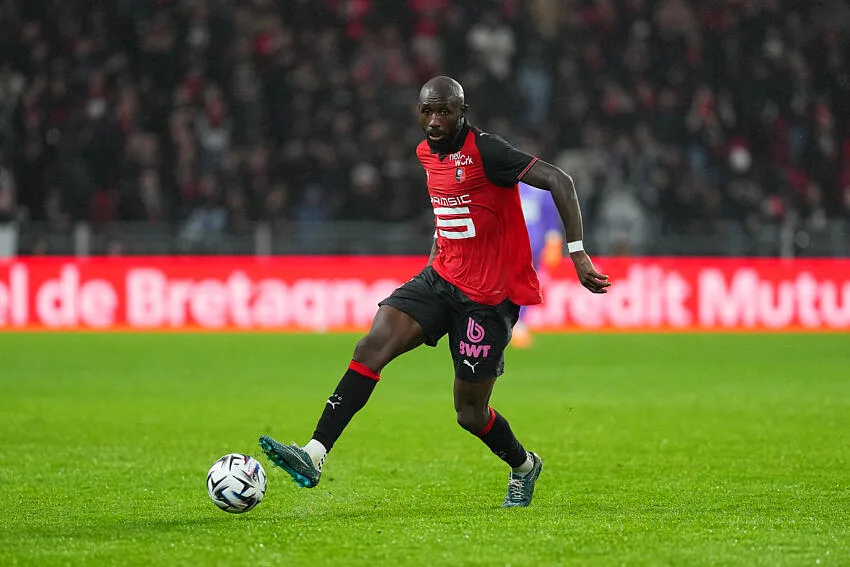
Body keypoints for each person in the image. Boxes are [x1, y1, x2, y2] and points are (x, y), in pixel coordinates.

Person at [259, 76, 610, 508]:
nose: (434, 120)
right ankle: (314, 455)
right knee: (371, 345)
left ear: (461, 111)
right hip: (440, 278)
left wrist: (577, 254)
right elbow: (448, 211)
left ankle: (524, 466)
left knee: (469, 412)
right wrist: (431, 265)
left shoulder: (488, 151)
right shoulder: (425, 153)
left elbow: (561, 180)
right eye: (427, 111)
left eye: (444, 111)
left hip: (489, 298)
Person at [511, 181, 565, 349]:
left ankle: (519, 323)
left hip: (533, 247)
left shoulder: (539, 188)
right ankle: (511, 323)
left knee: (530, 285)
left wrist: (553, 239)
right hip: (512, 245)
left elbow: (549, 214)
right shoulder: (508, 184)